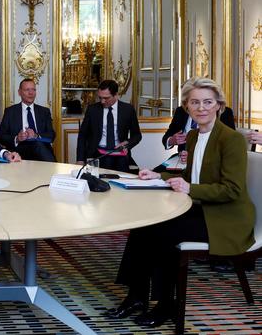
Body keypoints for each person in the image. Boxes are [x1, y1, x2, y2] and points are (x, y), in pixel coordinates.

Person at [106, 77, 255, 328]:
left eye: (208, 102)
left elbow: (231, 190)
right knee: (144, 225)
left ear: (219, 105)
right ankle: (136, 297)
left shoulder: (231, 140)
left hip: (227, 217)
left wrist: (190, 188)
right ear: (187, 106)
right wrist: (160, 176)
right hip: (201, 207)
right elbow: (190, 176)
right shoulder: (195, 136)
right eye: (195, 102)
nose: (202, 108)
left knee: (165, 232)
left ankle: (166, 305)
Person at [76, 79, 141, 172]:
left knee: (126, 173)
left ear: (116, 95)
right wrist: (80, 159)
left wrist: (127, 143)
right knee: (106, 164)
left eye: (106, 98)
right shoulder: (92, 110)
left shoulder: (128, 110)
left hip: (120, 153)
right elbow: (82, 135)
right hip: (98, 152)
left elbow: (137, 135)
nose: (102, 101)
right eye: (100, 97)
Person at [154, 103, 235, 172]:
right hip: (180, 161)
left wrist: (194, 156)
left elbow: (228, 146)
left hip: (209, 165)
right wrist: (172, 140)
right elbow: (167, 137)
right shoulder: (181, 111)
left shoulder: (225, 112)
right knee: (152, 175)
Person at [0, 79, 56, 162]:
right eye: (27, 90)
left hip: (41, 150)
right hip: (19, 150)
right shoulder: (10, 111)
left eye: (33, 90)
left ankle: (53, 171)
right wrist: (17, 138)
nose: (31, 93)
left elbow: (52, 135)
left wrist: (36, 136)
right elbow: (1, 137)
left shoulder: (44, 111)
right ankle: (54, 171)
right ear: (19, 92)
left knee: (37, 144)